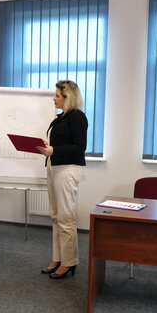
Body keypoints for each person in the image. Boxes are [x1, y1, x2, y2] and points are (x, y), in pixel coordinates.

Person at [36, 80, 88, 279]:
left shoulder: (77, 117)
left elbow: (80, 147)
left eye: (57, 95)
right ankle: (57, 259)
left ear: (68, 97)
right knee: (56, 217)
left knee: (66, 218)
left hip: (68, 170)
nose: (54, 98)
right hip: (54, 168)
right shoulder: (60, 119)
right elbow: (58, 143)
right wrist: (47, 147)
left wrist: (54, 149)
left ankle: (69, 262)